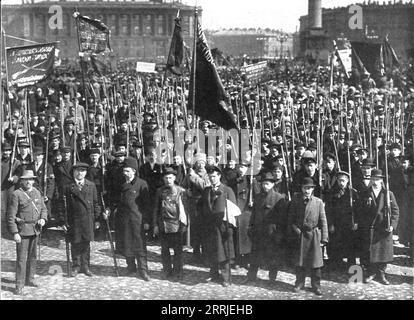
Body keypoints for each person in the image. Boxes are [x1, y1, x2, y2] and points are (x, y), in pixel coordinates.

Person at [7, 170, 47, 295]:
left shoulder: (36, 192)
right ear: (21, 181)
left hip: (35, 230)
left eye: (31, 179)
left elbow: (43, 209)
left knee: (33, 257)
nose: (29, 182)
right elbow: (11, 216)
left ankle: (30, 279)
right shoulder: (16, 194)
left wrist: (43, 219)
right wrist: (15, 232)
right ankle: (19, 284)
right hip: (22, 231)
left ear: (34, 181)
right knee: (21, 259)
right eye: (26, 179)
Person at [357, 169, 399, 285]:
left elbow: (395, 211)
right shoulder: (365, 193)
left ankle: (381, 274)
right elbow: (359, 210)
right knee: (370, 252)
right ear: (370, 179)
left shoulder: (388, 194)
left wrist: (392, 225)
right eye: (373, 179)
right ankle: (371, 273)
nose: (375, 181)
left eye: (378, 179)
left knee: (383, 252)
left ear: (381, 180)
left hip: (383, 227)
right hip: (370, 227)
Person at [288, 177, 328, 296]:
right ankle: (299, 283)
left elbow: (323, 220)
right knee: (300, 262)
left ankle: (316, 285)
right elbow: (290, 219)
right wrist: (296, 231)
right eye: (305, 188)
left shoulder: (318, 202)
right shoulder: (295, 201)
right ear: (301, 188)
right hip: (300, 235)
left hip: (314, 235)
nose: (307, 191)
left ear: (312, 189)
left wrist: (324, 238)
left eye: (309, 188)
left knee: (316, 264)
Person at [60, 162, 101, 277]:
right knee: (75, 243)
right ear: (73, 172)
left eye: (82, 171)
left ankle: (86, 266)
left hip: (88, 219)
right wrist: (63, 221)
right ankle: (76, 266)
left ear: (86, 173)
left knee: (86, 243)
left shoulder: (91, 185)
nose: (80, 173)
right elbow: (62, 205)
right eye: (77, 171)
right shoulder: (68, 187)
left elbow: (96, 203)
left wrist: (97, 219)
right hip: (74, 220)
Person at [244, 171, 287, 283]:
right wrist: (251, 227)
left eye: (267, 184)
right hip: (258, 232)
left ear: (273, 184)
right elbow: (254, 214)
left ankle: (272, 278)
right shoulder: (258, 197)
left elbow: (282, 219)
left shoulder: (279, 198)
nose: (265, 186)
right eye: (263, 184)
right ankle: (251, 276)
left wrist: (279, 234)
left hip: (272, 233)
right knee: (255, 255)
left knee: (272, 256)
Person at [199, 165, 236, 287]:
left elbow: (233, 210)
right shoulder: (206, 190)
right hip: (210, 226)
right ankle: (213, 273)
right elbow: (201, 207)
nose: (212, 179)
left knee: (224, 251)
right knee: (212, 249)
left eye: (214, 176)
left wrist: (230, 227)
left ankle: (226, 277)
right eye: (210, 177)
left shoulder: (227, 190)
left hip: (223, 226)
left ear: (219, 176)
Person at [116, 157, 151, 281]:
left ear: (134, 171)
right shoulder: (121, 184)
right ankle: (131, 267)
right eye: (124, 171)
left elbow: (147, 205)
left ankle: (143, 270)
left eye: (127, 171)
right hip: (124, 220)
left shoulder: (142, 184)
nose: (125, 174)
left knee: (140, 245)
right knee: (127, 244)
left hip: (138, 220)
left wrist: (146, 221)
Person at [153, 167, 187, 280]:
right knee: (164, 249)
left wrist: (184, 225)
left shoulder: (181, 191)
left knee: (178, 251)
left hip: (177, 225)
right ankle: (166, 270)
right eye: (166, 178)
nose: (168, 180)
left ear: (174, 178)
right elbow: (155, 209)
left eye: (170, 178)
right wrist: (155, 225)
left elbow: (185, 210)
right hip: (163, 224)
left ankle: (178, 271)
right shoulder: (159, 191)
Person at [326, 171, 359, 270]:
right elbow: (328, 209)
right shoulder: (332, 193)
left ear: (348, 181)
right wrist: (330, 224)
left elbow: (358, 209)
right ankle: (336, 265)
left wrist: (356, 222)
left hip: (349, 224)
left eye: (343, 180)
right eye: (339, 180)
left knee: (350, 245)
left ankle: (351, 266)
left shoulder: (353, 193)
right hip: (337, 223)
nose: (341, 183)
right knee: (336, 244)